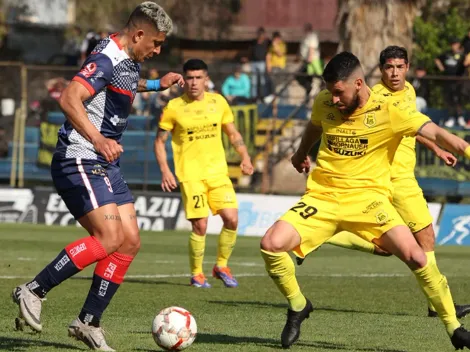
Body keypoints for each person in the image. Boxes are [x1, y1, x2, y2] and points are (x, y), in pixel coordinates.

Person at [259, 51, 470, 349]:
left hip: (370, 201)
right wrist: (299, 153)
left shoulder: (390, 110)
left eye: (338, 93)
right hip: (324, 197)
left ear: (358, 83)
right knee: (270, 245)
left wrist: (465, 149)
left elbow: (438, 133)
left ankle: (454, 328)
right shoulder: (324, 101)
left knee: (418, 256)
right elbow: (315, 126)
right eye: (330, 93)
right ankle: (298, 305)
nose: (333, 99)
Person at [11, 3, 184, 351]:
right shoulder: (106, 56)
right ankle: (34, 290)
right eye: (157, 42)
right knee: (108, 237)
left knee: (130, 240)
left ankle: (88, 321)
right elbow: (71, 97)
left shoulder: (125, 58)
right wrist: (99, 138)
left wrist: (155, 84)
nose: (158, 50)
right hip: (80, 157)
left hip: (104, 164)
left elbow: (120, 83)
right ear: (138, 34)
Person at [154, 59, 254, 288]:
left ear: (206, 79)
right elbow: (159, 142)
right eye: (189, 78)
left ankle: (221, 266)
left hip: (218, 173)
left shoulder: (218, 102)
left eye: (199, 77)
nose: (194, 83)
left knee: (232, 218)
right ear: (183, 79)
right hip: (191, 175)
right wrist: (165, 171)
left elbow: (233, 133)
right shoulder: (174, 107)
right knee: (200, 225)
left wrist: (245, 157)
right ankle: (197, 274)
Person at [435, 38, 466, 128]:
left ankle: (460, 117)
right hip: (447, 81)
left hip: (459, 81)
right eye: (453, 44)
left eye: (456, 44)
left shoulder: (462, 55)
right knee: (449, 99)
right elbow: (437, 59)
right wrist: (442, 68)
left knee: (458, 99)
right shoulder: (447, 54)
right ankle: (451, 117)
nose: (454, 46)